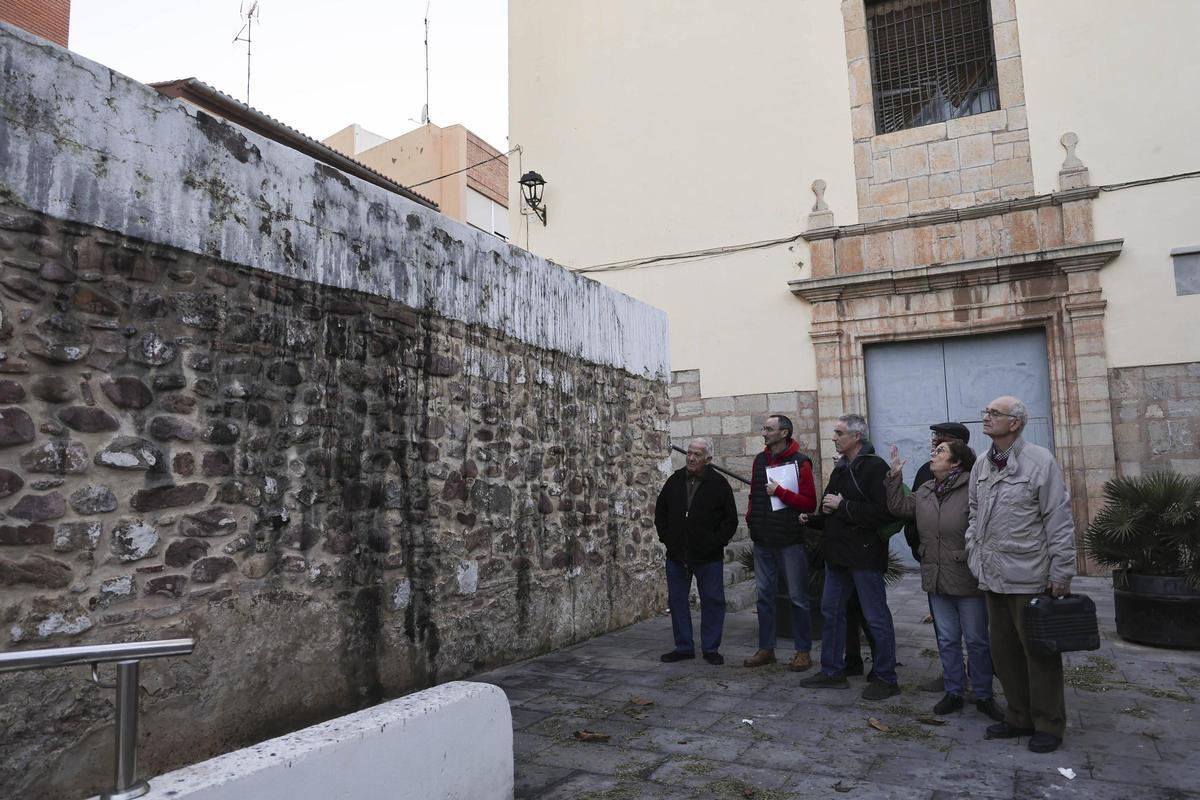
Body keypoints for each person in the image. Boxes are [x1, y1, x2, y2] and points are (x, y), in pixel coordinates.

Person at [966, 396, 1076, 753]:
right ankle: (1018, 716)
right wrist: (973, 552)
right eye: (987, 411)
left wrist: (1061, 571)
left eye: (994, 413)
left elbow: (1058, 519)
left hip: (1029, 574)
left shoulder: (1040, 461)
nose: (986, 417)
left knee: (1038, 654)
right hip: (992, 574)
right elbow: (973, 513)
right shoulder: (982, 463)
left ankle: (1048, 724)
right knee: (1004, 652)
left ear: (1014, 423)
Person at [886, 439, 1004, 722]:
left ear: (956, 462)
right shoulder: (926, 489)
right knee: (948, 639)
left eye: (941, 452)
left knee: (976, 640)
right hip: (935, 575)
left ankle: (983, 694)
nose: (933, 454)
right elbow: (899, 507)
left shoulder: (973, 488)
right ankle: (953, 691)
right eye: (935, 450)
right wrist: (894, 476)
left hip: (966, 575)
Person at [799, 414, 901, 701]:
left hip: (865, 556)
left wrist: (843, 505)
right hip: (837, 556)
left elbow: (883, 512)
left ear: (857, 437)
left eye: (839, 432)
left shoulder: (874, 467)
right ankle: (832, 671)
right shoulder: (841, 469)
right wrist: (814, 519)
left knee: (875, 616)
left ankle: (886, 676)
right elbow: (830, 508)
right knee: (831, 612)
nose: (834, 437)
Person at [742, 414, 818, 671]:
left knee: (798, 597)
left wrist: (781, 493)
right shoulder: (760, 460)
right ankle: (766, 649)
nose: (764, 433)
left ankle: (803, 652)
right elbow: (754, 493)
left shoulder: (801, 462)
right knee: (764, 596)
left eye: (769, 429)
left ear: (784, 433)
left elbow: (809, 503)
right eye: (764, 428)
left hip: (789, 541)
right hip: (763, 539)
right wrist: (751, 518)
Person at [654, 437, 738, 665]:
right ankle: (684, 647)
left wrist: (715, 542)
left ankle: (711, 648)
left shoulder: (719, 484)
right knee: (678, 600)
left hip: (708, 555)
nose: (691, 458)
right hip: (677, 554)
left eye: (697, 454)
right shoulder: (675, 480)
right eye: (689, 453)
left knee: (712, 600)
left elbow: (730, 521)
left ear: (708, 459)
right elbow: (660, 512)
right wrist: (668, 538)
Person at [903, 422, 973, 695]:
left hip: (965, 564)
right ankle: (951, 676)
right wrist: (918, 546)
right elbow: (912, 510)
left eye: (942, 439)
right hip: (933, 559)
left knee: (976, 629)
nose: (935, 442)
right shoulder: (926, 470)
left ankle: (978, 677)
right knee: (945, 629)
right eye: (934, 437)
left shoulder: (976, 473)